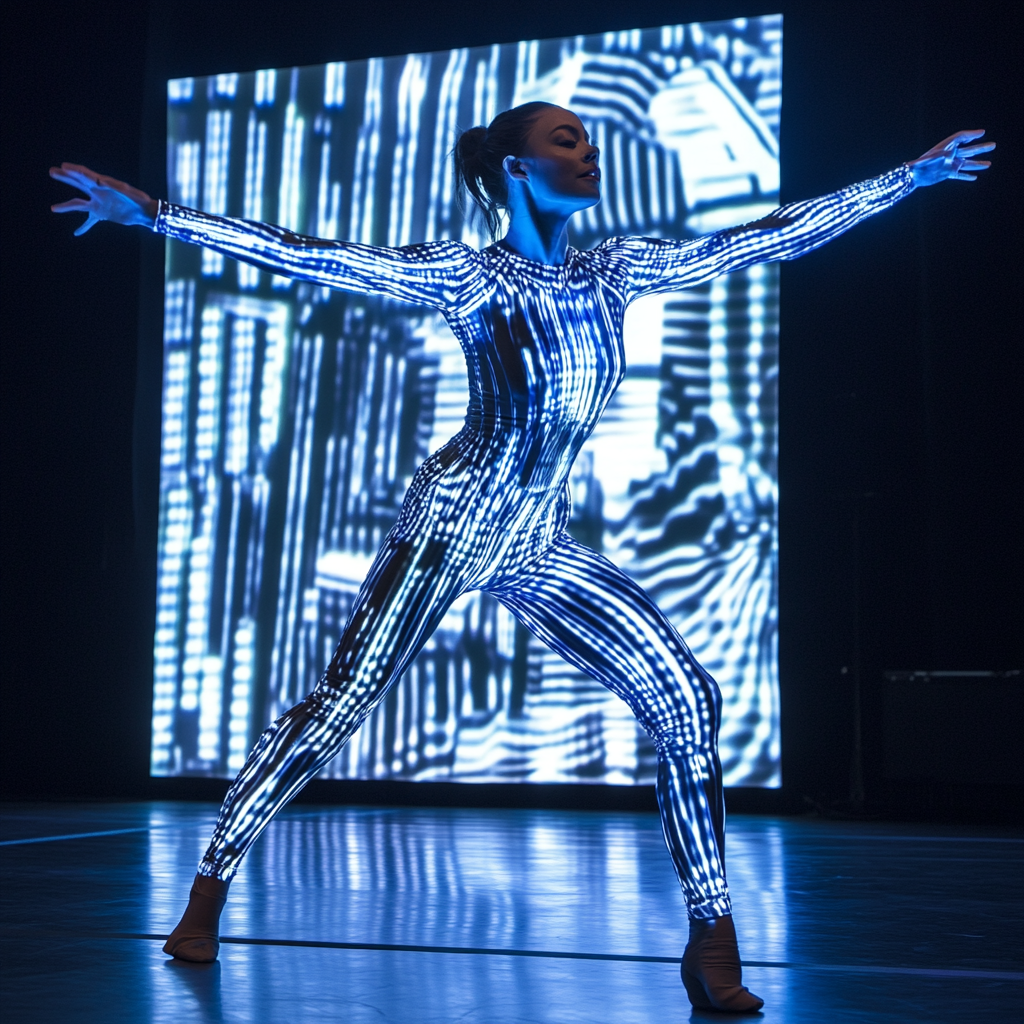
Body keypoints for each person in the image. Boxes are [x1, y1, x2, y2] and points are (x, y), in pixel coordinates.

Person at [51, 102, 992, 1013]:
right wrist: (155, 215)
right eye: (567, 140)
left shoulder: (613, 270)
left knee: (688, 698)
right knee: (339, 707)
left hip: (536, 538)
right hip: (452, 523)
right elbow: (313, 257)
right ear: (515, 168)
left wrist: (912, 177)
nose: (590, 154)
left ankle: (712, 938)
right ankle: (210, 888)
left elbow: (768, 235)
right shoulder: (468, 277)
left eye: (589, 140)